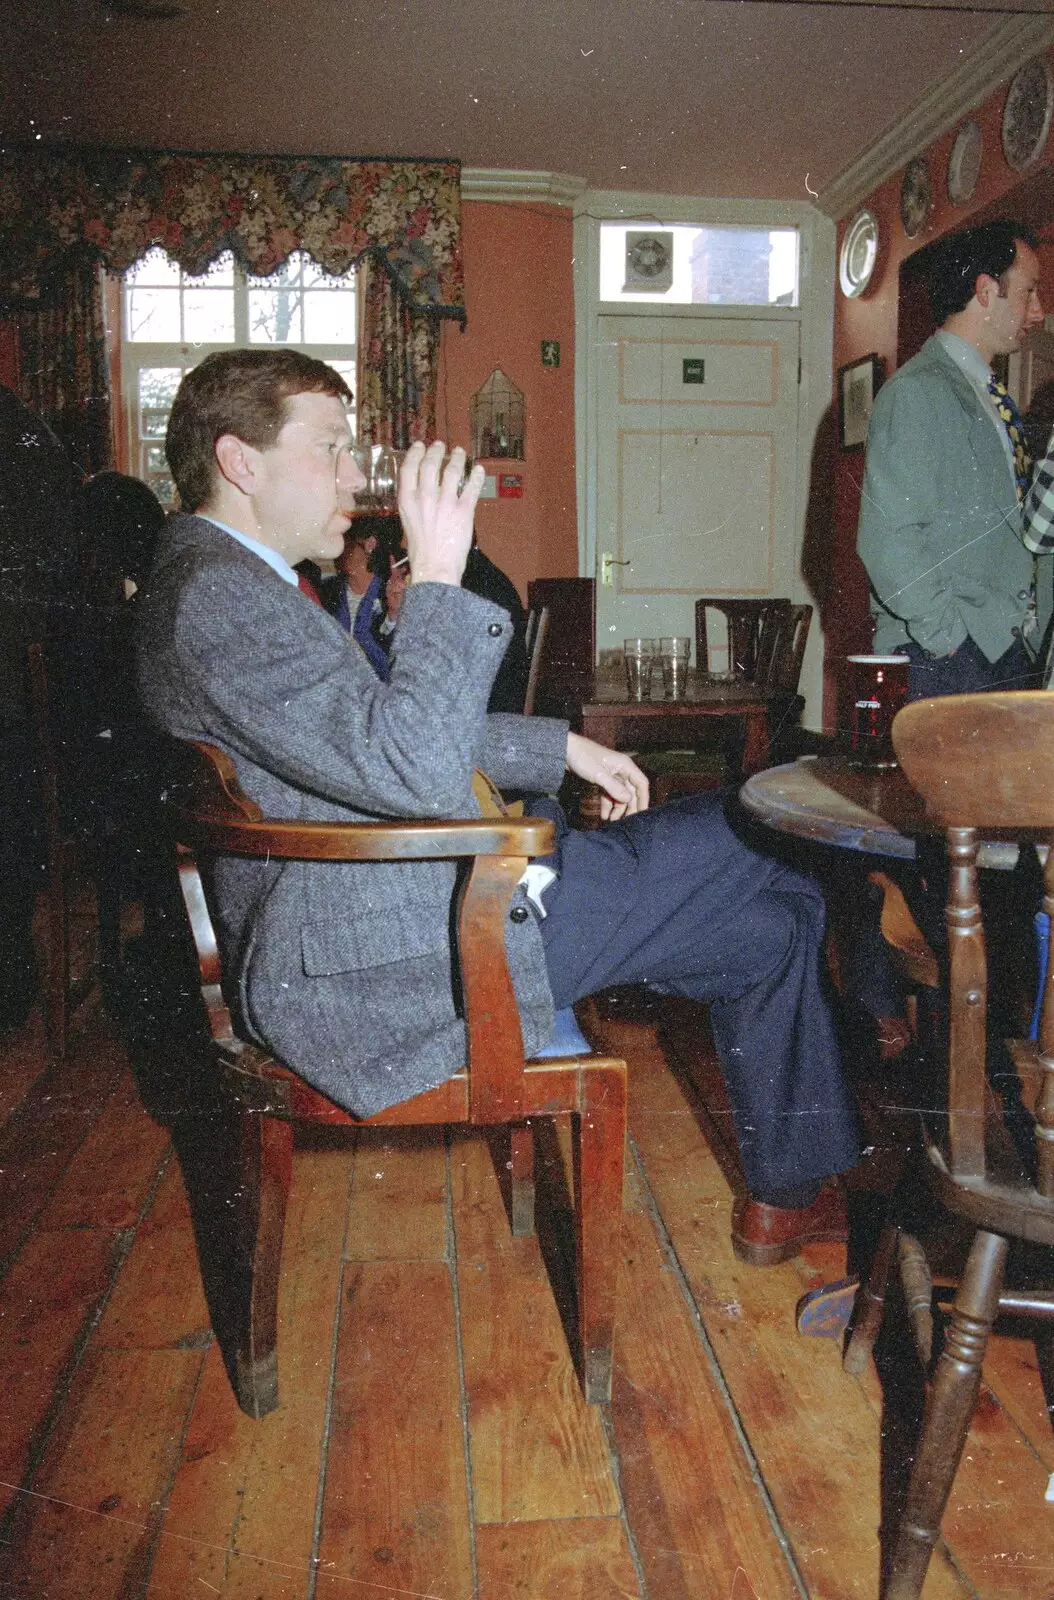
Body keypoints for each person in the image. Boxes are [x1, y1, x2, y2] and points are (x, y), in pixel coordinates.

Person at [136, 348, 859, 1266]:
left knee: (771, 922)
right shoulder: (219, 599)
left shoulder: (217, 581)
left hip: (384, 918)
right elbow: (409, 761)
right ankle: (915, 957)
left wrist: (557, 745)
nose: (358, 476)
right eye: (332, 448)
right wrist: (439, 573)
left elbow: (368, 731)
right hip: (399, 959)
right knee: (771, 821)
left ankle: (789, 1198)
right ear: (241, 461)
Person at [857, 221, 1052, 701]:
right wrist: (951, 642)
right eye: (1029, 292)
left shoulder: (988, 394)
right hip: (946, 657)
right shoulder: (918, 391)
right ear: (986, 291)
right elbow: (888, 540)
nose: (1040, 311)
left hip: (1002, 654)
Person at [321, 513, 403, 679]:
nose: (337, 550)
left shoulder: (392, 593)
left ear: (370, 545)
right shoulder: (326, 591)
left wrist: (393, 614)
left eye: (345, 543)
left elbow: (398, 653)